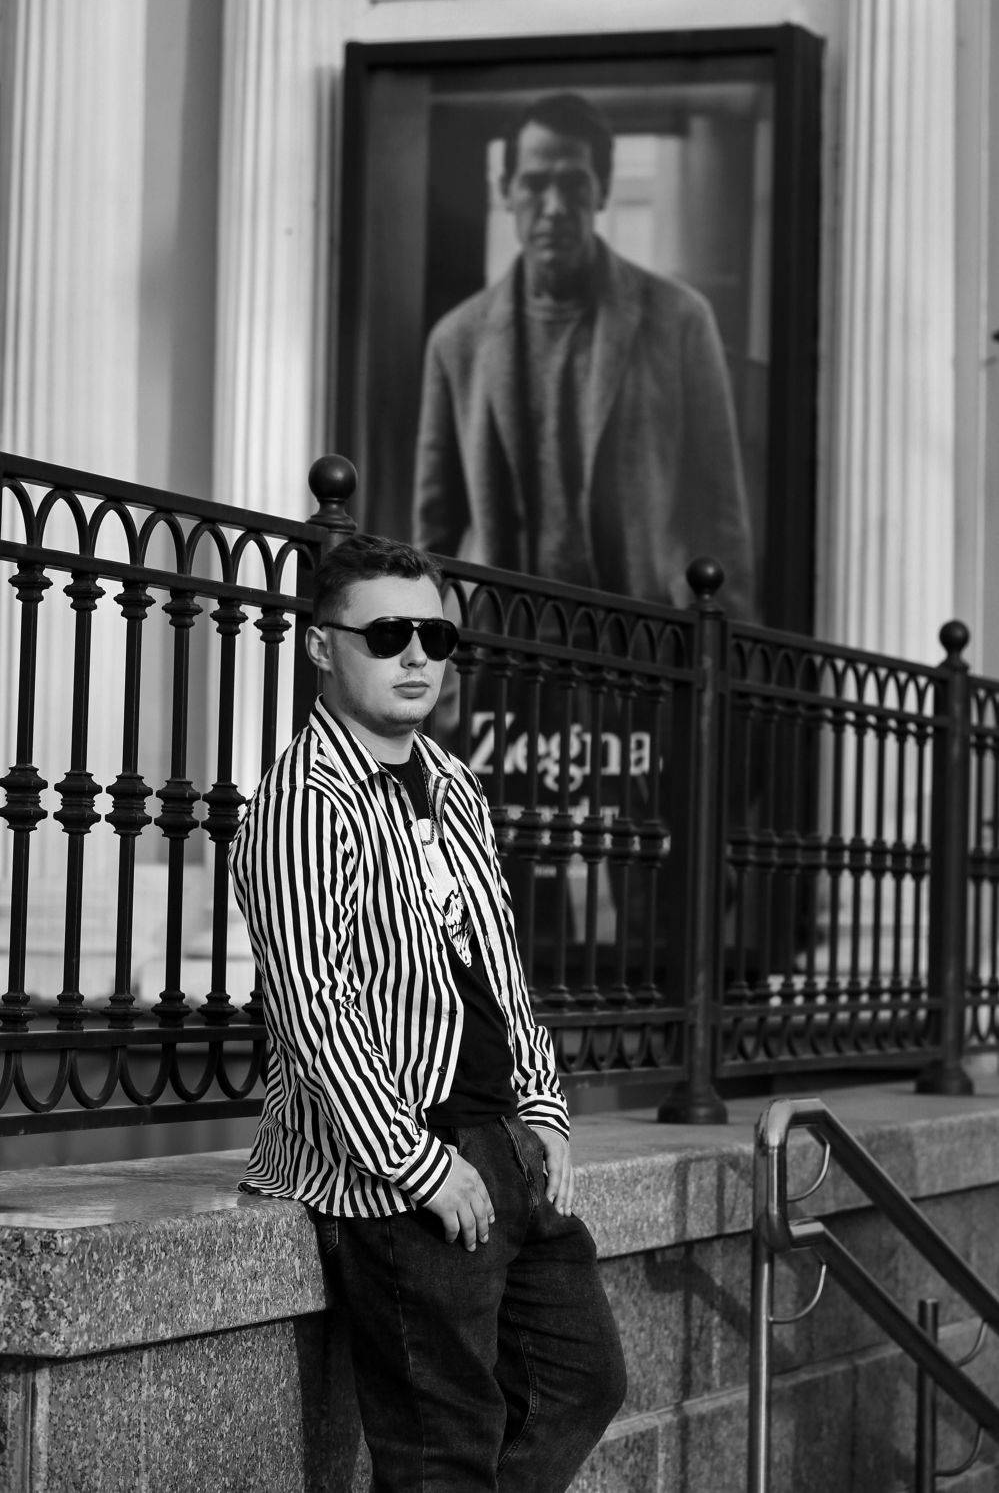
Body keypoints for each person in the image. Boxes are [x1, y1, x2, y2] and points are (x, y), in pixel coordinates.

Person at [228, 532, 626, 1491]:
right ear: (321, 646)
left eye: (435, 637)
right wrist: (417, 1164)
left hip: (507, 1146)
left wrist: (542, 1108)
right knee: (439, 1452)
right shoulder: (303, 804)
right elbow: (314, 1009)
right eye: (386, 635)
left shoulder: (451, 781)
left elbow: (497, 960)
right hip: (404, 1174)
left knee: (580, 1385)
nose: (416, 657)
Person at [413, 90, 756, 622]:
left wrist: (722, 657)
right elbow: (433, 536)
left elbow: (720, 518)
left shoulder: (679, 321)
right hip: (503, 646)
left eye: (573, 184)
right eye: (534, 184)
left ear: (602, 191)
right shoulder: (456, 341)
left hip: (640, 642)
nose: (554, 207)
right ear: (506, 191)